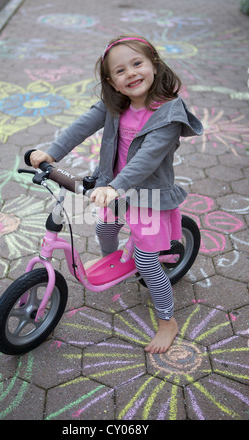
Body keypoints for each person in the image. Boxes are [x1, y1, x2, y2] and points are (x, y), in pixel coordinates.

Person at [30, 35, 203, 354]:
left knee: (147, 262)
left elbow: (147, 158)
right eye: (121, 70)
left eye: (137, 64)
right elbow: (82, 126)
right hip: (115, 188)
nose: (131, 74)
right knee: (104, 228)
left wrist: (113, 188)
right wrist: (51, 153)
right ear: (112, 81)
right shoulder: (116, 104)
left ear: (154, 64)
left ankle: (167, 321)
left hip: (147, 195)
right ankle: (113, 260)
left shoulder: (168, 114)